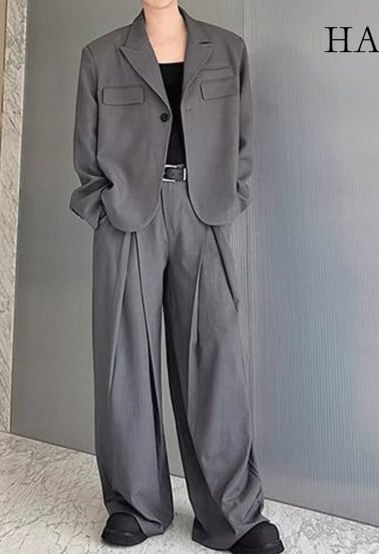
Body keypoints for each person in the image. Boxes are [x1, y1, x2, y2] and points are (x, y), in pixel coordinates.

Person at [70, 2, 284, 553]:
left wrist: (231, 197)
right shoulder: (100, 55)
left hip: (203, 211)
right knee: (125, 361)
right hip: (127, 221)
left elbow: (242, 140)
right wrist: (104, 210)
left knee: (216, 356)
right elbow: (86, 155)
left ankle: (234, 516)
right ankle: (135, 506)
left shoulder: (228, 49)